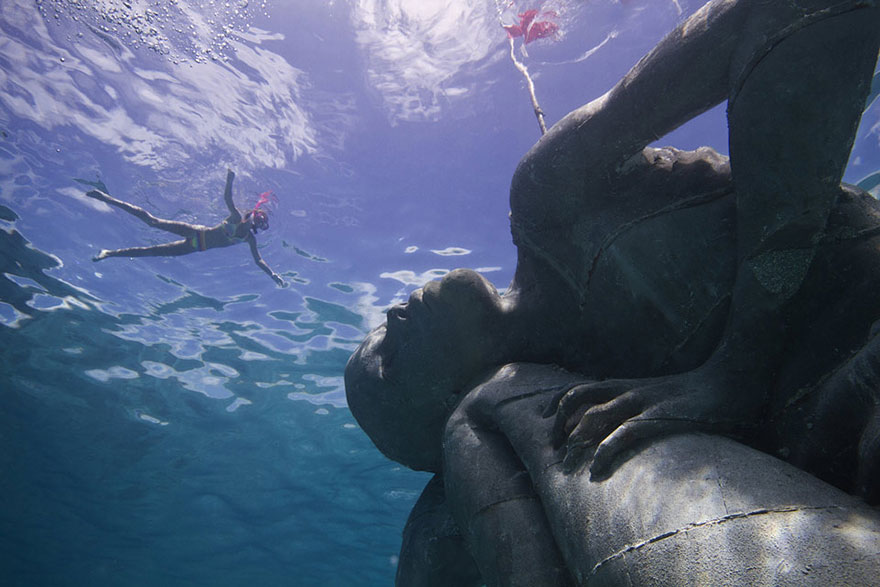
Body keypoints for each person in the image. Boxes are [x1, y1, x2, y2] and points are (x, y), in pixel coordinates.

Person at [345, 0, 880, 582]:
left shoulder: (549, 203)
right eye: (389, 361)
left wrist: (738, 367)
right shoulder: (587, 416)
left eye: (379, 327)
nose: (394, 316)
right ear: (445, 403)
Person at [86, 169, 286, 287]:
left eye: (258, 221)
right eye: (255, 217)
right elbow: (228, 199)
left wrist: (272, 274)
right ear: (251, 215)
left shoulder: (249, 239)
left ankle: (109, 253)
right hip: (195, 232)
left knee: (152, 252)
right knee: (152, 221)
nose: (254, 220)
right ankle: (107, 198)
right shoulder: (235, 218)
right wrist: (229, 181)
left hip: (195, 247)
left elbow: (258, 260)